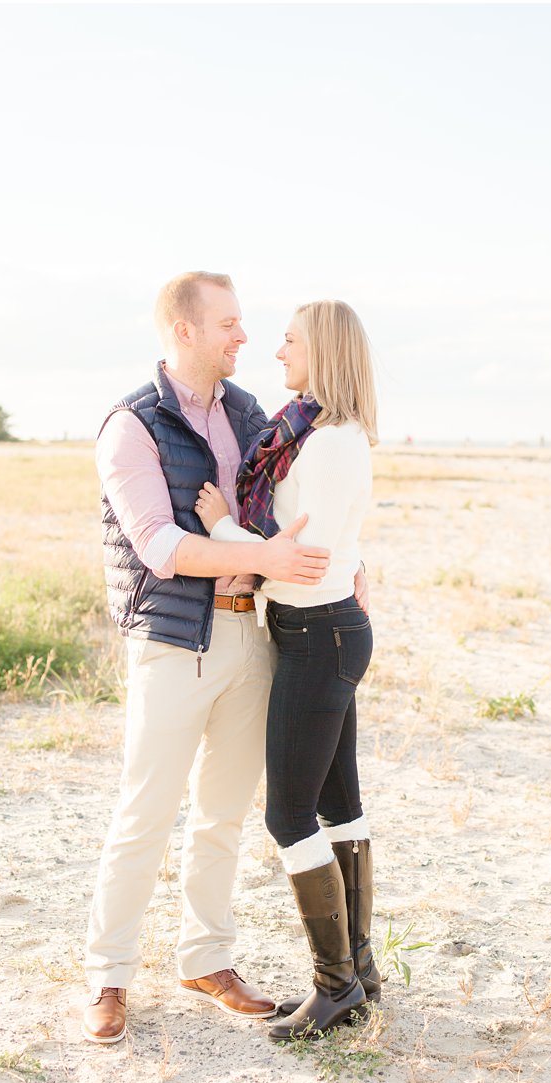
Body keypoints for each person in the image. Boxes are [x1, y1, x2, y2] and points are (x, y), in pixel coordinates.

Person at [82, 271, 367, 1045]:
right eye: (229, 324)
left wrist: (344, 561)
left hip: (254, 634)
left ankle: (208, 958)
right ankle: (108, 974)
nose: (244, 336)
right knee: (144, 811)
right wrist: (270, 556)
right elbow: (161, 546)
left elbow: (305, 507)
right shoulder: (131, 425)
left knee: (224, 813)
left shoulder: (253, 415)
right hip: (175, 641)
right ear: (184, 331)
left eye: (246, 323)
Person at [193, 299, 378, 1041]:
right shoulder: (314, 430)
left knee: (289, 813)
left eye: (291, 341)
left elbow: (302, 561)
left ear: (324, 350)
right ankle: (358, 972)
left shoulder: (329, 442)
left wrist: (220, 530)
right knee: (340, 805)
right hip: (322, 630)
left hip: (317, 631)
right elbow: (315, 547)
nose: (277, 351)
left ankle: (335, 986)